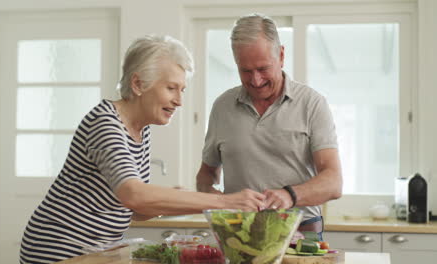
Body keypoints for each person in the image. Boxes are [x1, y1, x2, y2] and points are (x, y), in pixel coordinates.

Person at [19, 35, 266, 264]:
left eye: (182, 90)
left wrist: (180, 199)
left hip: (96, 250)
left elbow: (136, 209)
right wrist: (225, 202)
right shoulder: (105, 123)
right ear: (138, 84)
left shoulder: (140, 130)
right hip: (59, 250)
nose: (179, 101)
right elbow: (134, 195)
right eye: (171, 88)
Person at [196, 14, 343, 238]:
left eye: (263, 68)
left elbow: (333, 182)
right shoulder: (222, 107)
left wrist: (289, 195)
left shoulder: (312, 104)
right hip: (238, 233)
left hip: (301, 234)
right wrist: (219, 203)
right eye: (245, 70)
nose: (256, 80)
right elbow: (206, 176)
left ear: (281, 55)